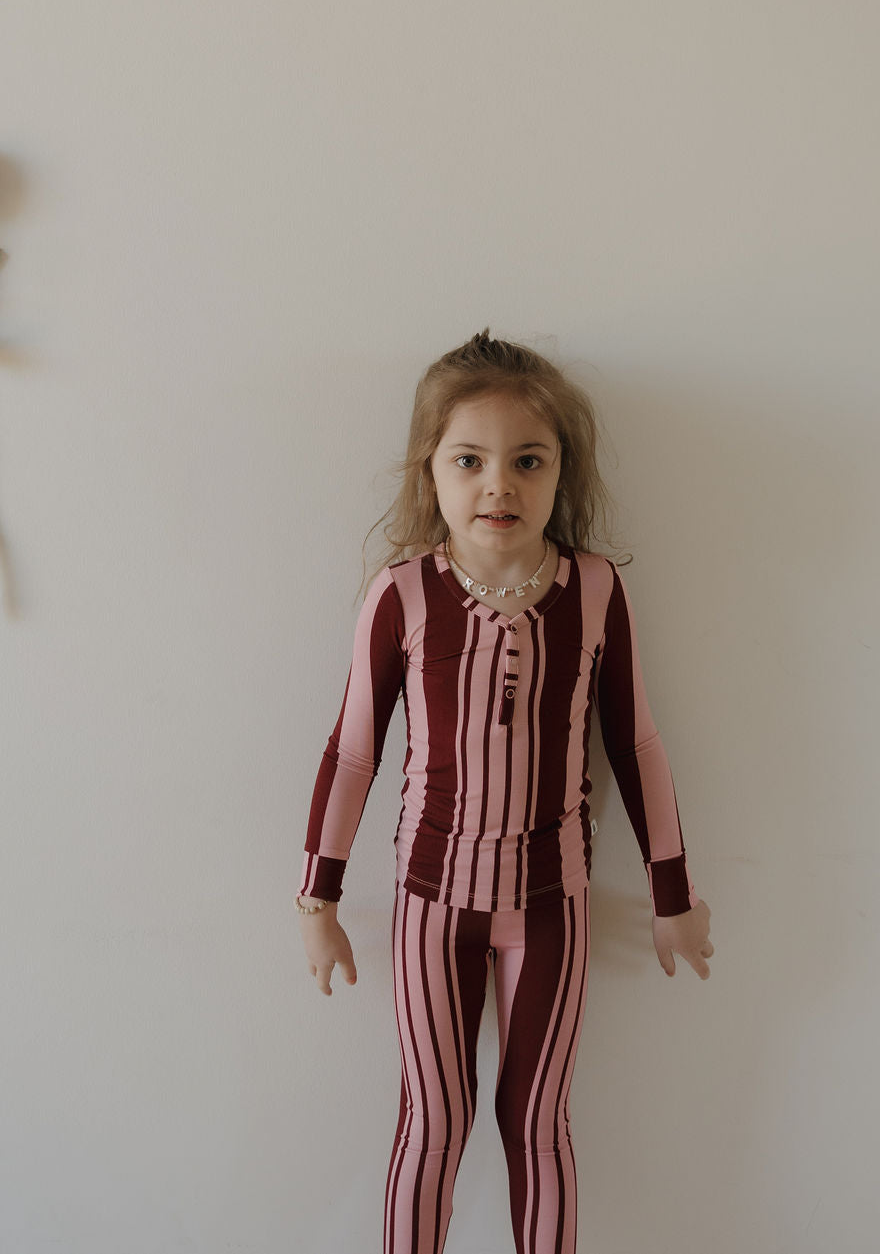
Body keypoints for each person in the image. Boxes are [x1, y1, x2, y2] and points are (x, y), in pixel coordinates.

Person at [295, 329, 713, 1254]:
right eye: (470, 460)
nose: (500, 485)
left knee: (537, 1125)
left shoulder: (596, 591)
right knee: (432, 1126)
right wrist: (317, 894)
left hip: (550, 906)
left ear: (561, 470)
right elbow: (354, 748)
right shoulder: (402, 595)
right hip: (430, 905)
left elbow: (634, 740)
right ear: (431, 471)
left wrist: (673, 893)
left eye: (528, 460)